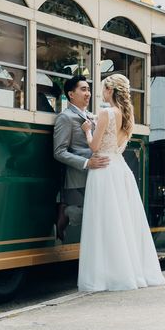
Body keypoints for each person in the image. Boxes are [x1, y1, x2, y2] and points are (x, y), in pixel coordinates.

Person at [78, 74, 165, 291]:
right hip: (120, 168)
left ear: (109, 90)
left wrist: (87, 131)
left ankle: (106, 275)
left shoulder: (106, 112)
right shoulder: (127, 115)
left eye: (102, 89)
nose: (100, 93)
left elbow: (95, 146)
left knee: (103, 222)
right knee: (122, 222)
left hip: (104, 169)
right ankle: (126, 273)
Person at [53, 75, 110, 241]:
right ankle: (64, 211)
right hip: (78, 178)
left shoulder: (92, 116)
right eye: (83, 89)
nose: (88, 93)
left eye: (89, 89)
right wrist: (86, 162)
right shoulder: (65, 117)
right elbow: (59, 152)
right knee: (87, 217)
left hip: (96, 175)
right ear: (71, 94)